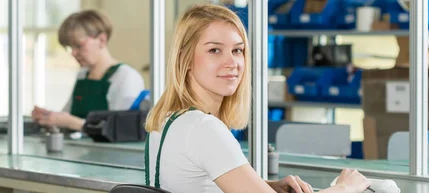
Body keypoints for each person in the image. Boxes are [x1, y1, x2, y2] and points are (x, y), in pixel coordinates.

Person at [144, 4, 371, 193]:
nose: (232, 62)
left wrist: (265, 186)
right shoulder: (204, 128)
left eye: (238, 50)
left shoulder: (167, 120)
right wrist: (344, 188)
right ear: (184, 58)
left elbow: (196, 181)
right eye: (215, 50)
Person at [32, 10, 145, 132]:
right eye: (70, 47)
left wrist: (71, 122)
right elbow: (68, 115)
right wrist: (49, 117)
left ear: (102, 39)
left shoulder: (126, 77)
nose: (74, 53)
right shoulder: (83, 75)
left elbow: (121, 129)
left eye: (79, 46)